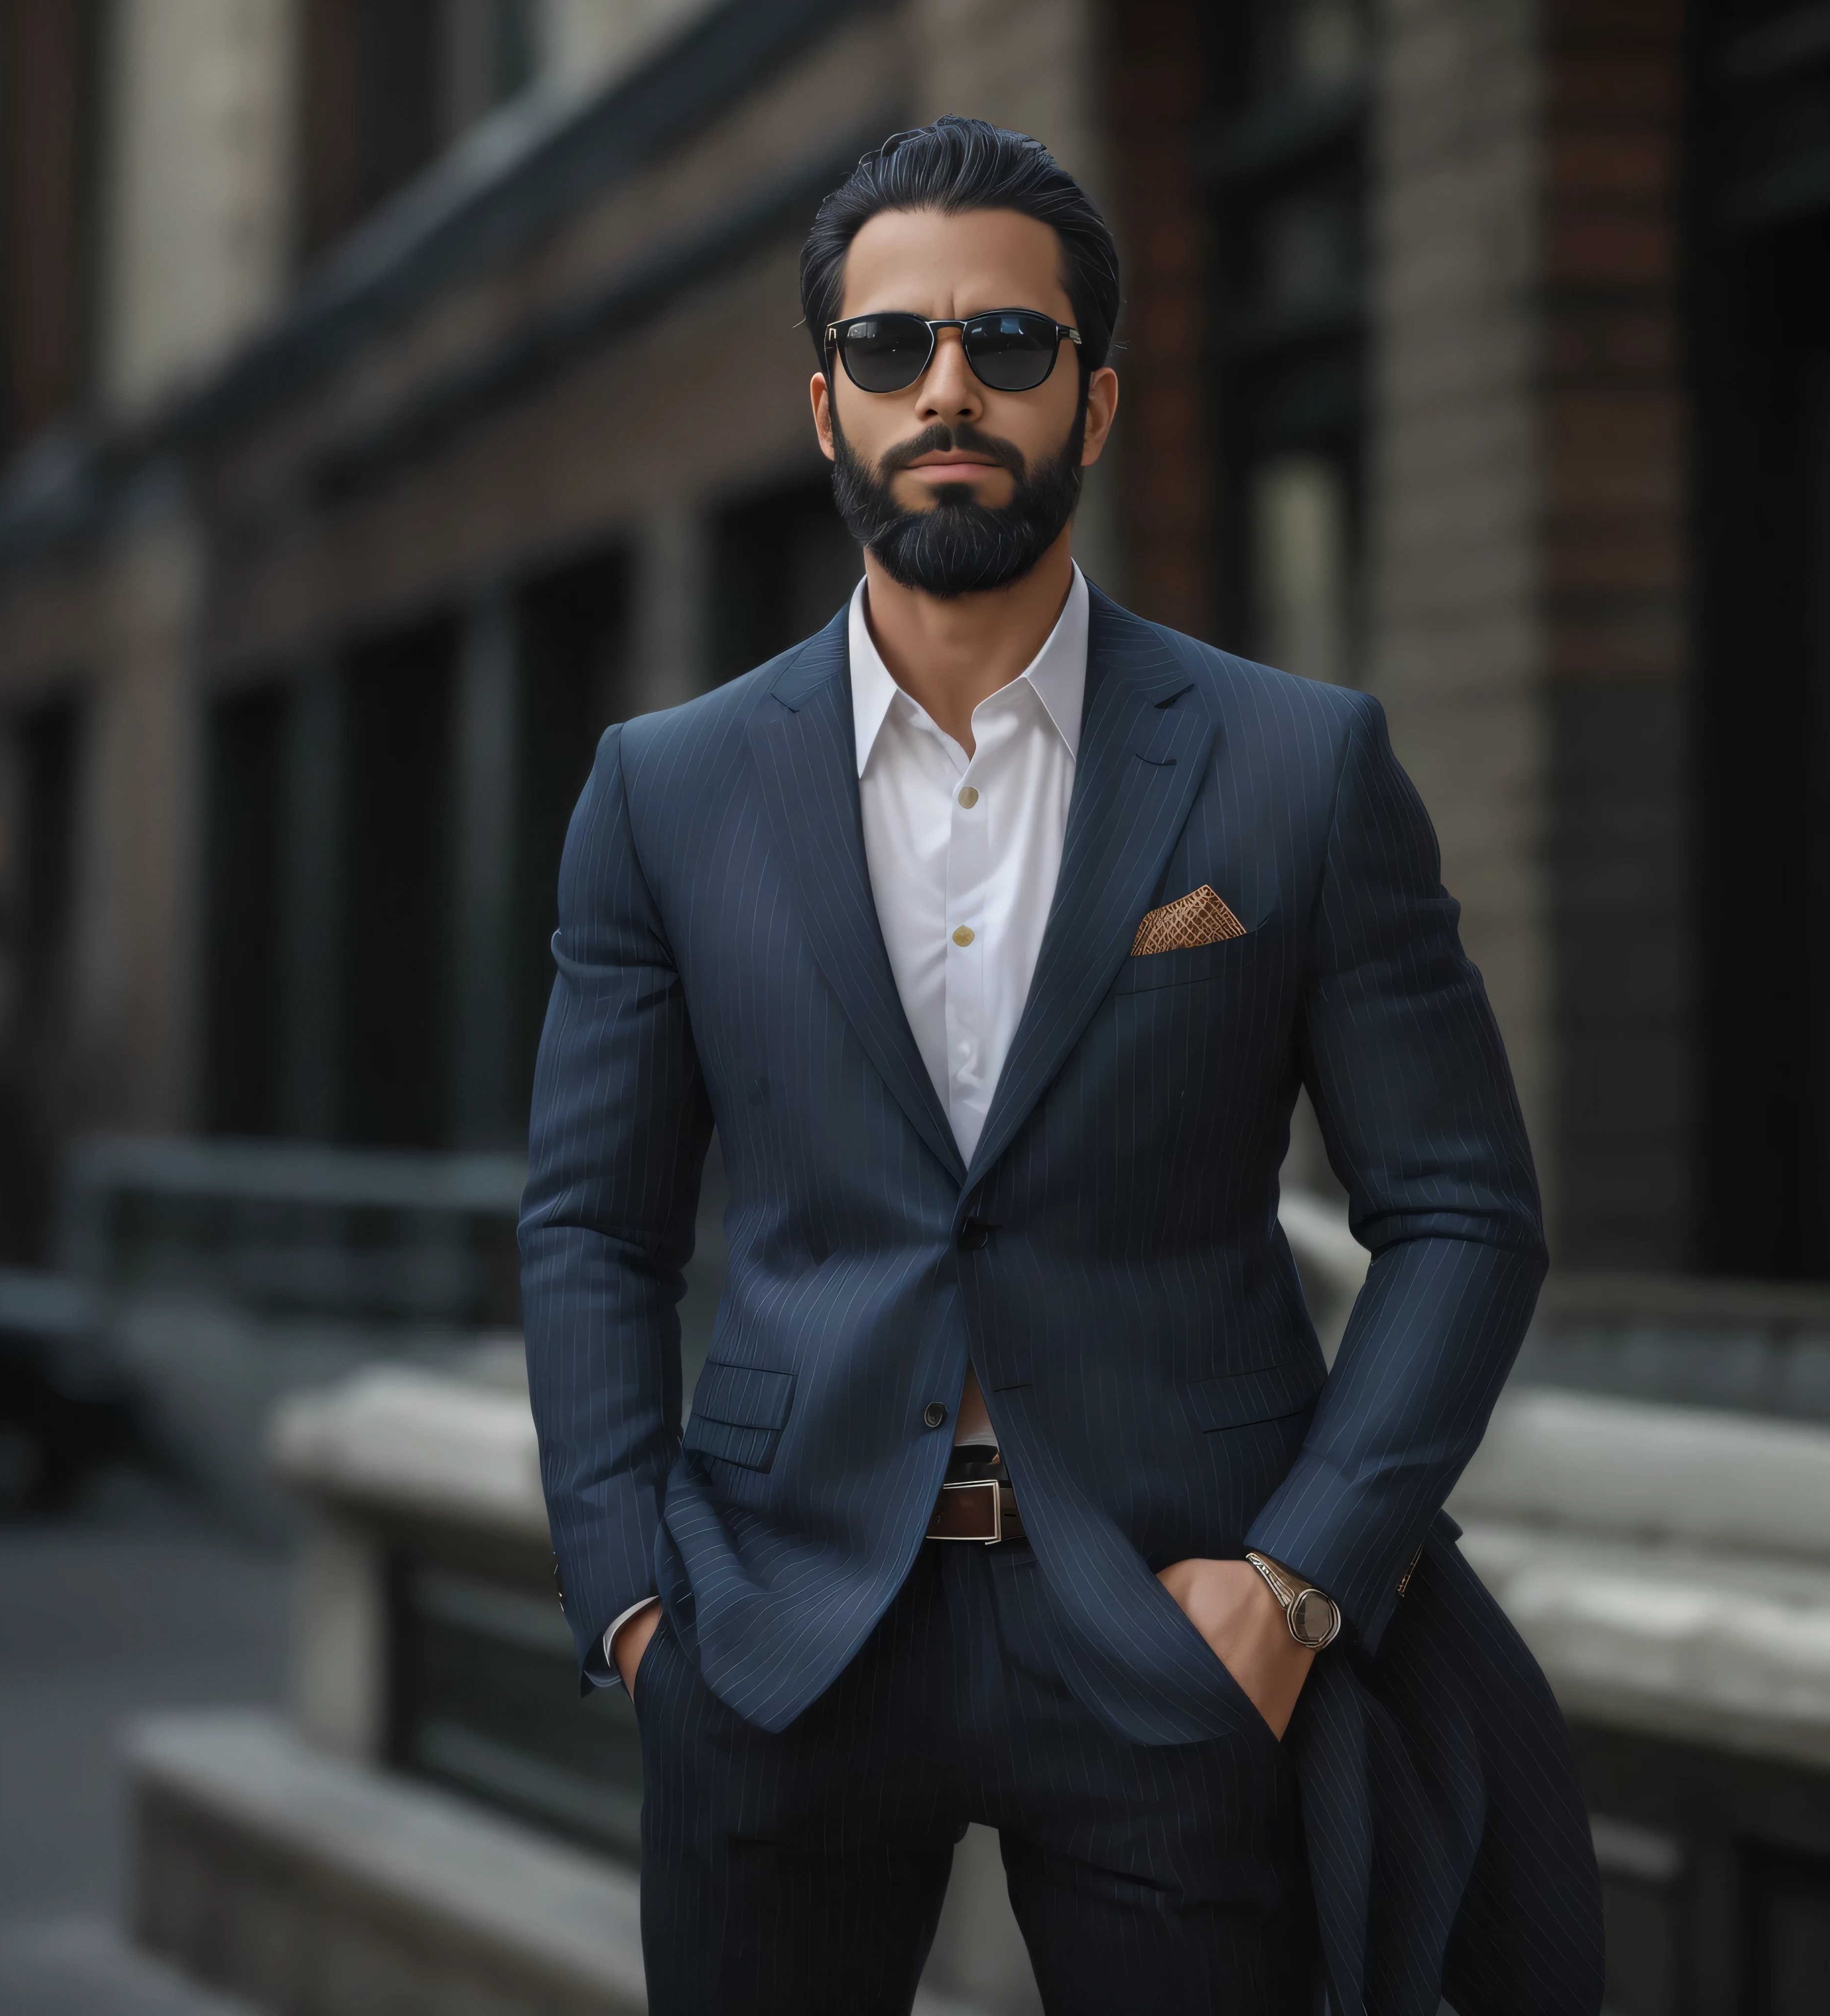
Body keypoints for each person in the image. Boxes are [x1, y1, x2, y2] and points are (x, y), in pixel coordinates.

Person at [520, 117, 1603, 2016]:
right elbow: (592, 1226)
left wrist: (1295, 1585)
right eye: (891, 349)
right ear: (825, 403)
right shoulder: (663, 791)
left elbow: (1462, 1213)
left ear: (1095, 403)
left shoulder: (1297, 768)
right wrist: (629, 1601)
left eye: (1009, 346)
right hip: (774, 1633)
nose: (949, 387)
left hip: (1173, 1621)